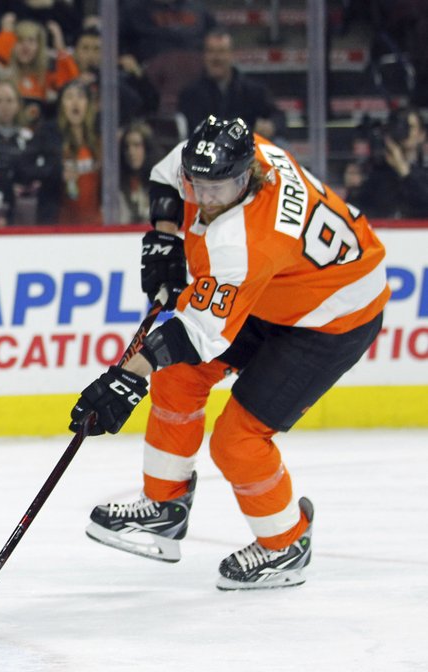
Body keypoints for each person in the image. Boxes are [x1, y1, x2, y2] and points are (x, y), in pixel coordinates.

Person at [69, 115, 389, 590]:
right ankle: (163, 507)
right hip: (279, 290)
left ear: (248, 175)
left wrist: (125, 378)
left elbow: (198, 334)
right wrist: (163, 236)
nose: (208, 199)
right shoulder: (220, 156)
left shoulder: (245, 242)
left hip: (333, 316)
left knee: (237, 440)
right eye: (200, 186)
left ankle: (285, 546)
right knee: (177, 377)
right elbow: (165, 175)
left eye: (222, 188)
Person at [20, 79, 102, 225]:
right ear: (61, 104)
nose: (75, 102)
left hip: (96, 223)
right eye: (69, 97)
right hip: (58, 222)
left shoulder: (99, 134)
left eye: (81, 97)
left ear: (89, 104)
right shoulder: (48, 133)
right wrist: (56, 173)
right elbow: (22, 168)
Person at [177, 30, 285, 141]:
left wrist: (271, 126)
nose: (216, 58)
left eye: (221, 51)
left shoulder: (254, 91)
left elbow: (278, 117)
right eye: (211, 51)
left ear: (232, 55)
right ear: (204, 56)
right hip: (206, 152)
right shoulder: (190, 95)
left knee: (280, 144)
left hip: (247, 150)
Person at [0, 15, 78, 127]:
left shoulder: (46, 77)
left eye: (31, 41)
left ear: (39, 47)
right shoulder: (1, 73)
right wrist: (6, 34)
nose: (26, 47)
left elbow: (72, 88)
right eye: (19, 41)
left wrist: (60, 48)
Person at [350, 107, 428, 219]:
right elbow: (357, 211)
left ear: (422, 135)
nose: (404, 131)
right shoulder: (378, 173)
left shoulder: (424, 175)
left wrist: (405, 172)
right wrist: (353, 190)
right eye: (401, 125)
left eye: (410, 127)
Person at [118, 120, 156, 224]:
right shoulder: (117, 185)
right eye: (127, 147)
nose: (131, 152)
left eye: (136, 145)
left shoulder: (160, 183)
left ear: (147, 148)